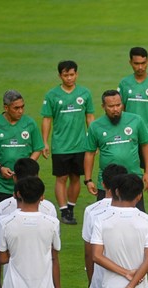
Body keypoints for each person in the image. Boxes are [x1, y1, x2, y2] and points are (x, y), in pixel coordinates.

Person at [0, 90, 44, 232]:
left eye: (22, 107)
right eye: (16, 108)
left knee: (25, 224)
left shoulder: (30, 123)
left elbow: (38, 148)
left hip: (25, 184)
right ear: (6, 107)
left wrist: (26, 168)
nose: (20, 111)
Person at [41, 60, 95, 225]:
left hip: (81, 145)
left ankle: (70, 207)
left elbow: (90, 117)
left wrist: (94, 140)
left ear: (76, 74)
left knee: (75, 177)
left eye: (72, 74)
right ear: (60, 75)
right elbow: (47, 119)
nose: (69, 78)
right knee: (61, 178)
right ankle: (63, 210)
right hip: (60, 145)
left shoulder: (85, 93)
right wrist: (45, 142)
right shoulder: (52, 95)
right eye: (66, 75)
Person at [118, 47, 148, 214]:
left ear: (147, 62)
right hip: (128, 133)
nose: (140, 67)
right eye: (136, 63)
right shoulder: (124, 83)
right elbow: (120, 108)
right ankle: (128, 202)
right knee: (127, 168)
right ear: (130, 63)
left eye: (143, 63)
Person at [84, 90, 148, 209]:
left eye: (118, 105)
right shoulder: (95, 126)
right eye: (111, 106)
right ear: (103, 106)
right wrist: (88, 179)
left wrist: (147, 172)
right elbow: (89, 154)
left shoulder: (136, 120)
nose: (115, 109)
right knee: (104, 220)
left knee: (136, 220)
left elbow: (146, 145)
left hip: (133, 180)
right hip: (106, 183)